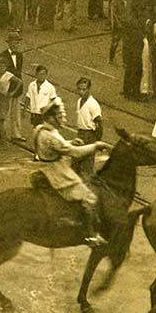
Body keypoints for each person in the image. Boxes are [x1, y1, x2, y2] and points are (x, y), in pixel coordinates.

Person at [32, 97, 111, 246]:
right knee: (89, 197)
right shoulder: (50, 135)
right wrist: (95, 145)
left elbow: (58, 146)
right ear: (50, 117)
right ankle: (91, 235)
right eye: (59, 116)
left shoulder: (40, 129)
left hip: (43, 166)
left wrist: (69, 142)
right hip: (56, 171)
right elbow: (75, 153)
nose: (62, 119)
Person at [0, 31, 25, 142]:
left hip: (16, 88)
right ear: (9, 43)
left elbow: (19, 72)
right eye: (13, 42)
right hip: (6, 89)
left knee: (16, 112)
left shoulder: (19, 55)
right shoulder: (1, 56)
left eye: (16, 42)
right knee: (5, 112)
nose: (15, 44)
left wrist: (20, 85)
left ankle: (16, 134)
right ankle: (4, 135)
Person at [0, 55, 22, 146]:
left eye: (3, 66)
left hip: (4, 99)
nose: (1, 68)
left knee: (1, 120)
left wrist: (12, 92)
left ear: (6, 67)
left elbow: (19, 82)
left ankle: (3, 140)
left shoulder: (9, 75)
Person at [74, 77, 102, 174]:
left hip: (89, 134)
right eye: (79, 89)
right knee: (76, 161)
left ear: (89, 89)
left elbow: (98, 123)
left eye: (84, 89)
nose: (81, 92)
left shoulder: (93, 104)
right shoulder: (79, 101)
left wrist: (97, 140)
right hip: (80, 134)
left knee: (87, 164)